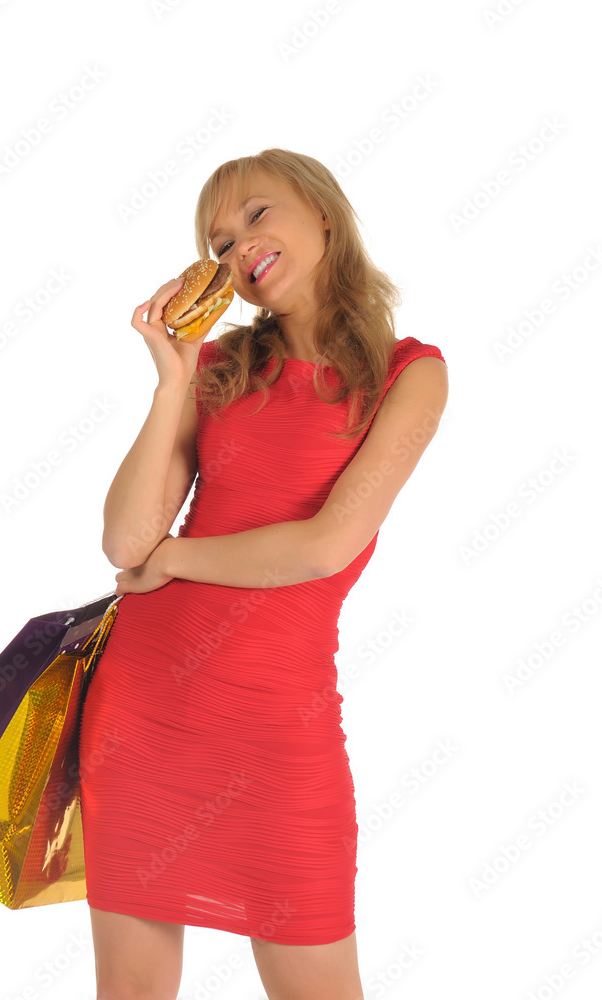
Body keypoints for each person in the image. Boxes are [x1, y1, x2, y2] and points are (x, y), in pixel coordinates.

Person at [78, 148, 449, 1000]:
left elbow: (325, 546)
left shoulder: (410, 373)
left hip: (281, 724)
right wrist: (172, 376)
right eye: (218, 241)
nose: (238, 246)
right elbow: (123, 538)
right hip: (145, 713)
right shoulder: (216, 371)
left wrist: (172, 559)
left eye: (255, 216)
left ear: (322, 213)